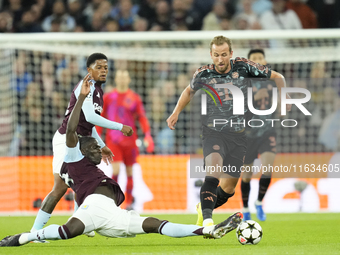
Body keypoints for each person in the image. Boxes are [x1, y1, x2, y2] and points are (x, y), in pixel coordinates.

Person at [0, 77, 243, 246]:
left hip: (110, 213)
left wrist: (100, 144)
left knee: (154, 225)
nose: (99, 147)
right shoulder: (74, 157)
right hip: (95, 206)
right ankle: (27, 237)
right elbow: (72, 129)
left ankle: (207, 230)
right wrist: (81, 99)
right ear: (80, 150)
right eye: (94, 146)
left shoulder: (88, 165)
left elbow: (88, 149)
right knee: (67, 231)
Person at [166, 36, 291, 228]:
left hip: (239, 136)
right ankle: (207, 222)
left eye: (224, 55)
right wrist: (176, 112)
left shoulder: (244, 67)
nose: (220, 59)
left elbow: (278, 78)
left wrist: (284, 99)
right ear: (211, 55)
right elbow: (189, 91)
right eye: (216, 55)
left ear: (231, 54)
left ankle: (204, 207)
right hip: (213, 132)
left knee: (228, 188)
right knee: (213, 172)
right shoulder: (203, 73)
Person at [30, 53, 133, 238]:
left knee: (84, 180)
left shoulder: (99, 91)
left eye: (106, 68)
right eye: (99, 67)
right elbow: (91, 117)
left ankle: (81, 220)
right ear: (89, 69)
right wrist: (120, 127)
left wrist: (102, 145)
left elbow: (88, 124)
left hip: (81, 140)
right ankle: (35, 231)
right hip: (66, 140)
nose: (104, 71)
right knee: (60, 187)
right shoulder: (85, 87)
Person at [97, 70, 154, 209]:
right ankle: (114, 199)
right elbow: (100, 119)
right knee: (115, 170)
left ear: (128, 79)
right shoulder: (109, 97)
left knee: (130, 172)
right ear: (116, 79)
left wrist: (147, 134)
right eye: (120, 77)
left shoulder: (134, 98)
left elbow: (142, 117)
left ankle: (128, 202)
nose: (122, 79)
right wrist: (97, 139)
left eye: (124, 77)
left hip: (130, 141)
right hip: (113, 140)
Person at [241, 49, 277, 222]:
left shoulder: (274, 80)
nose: (257, 60)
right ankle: (245, 208)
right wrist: (254, 98)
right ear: (248, 62)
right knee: (246, 175)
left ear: (265, 60)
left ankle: (259, 202)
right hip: (248, 134)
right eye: (253, 58)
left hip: (267, 131)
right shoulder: (243, 82)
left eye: (259, 58)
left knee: (268, 168)